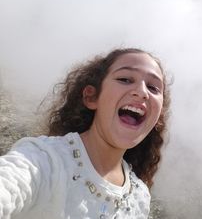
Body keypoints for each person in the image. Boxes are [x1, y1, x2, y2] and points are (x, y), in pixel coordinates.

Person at [0, 47, 171, 219]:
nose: (142, 92)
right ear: (91, 97)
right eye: (125, 79)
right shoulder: (43, 160)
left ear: (158, 117)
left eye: (153, 88)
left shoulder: (140, 197)